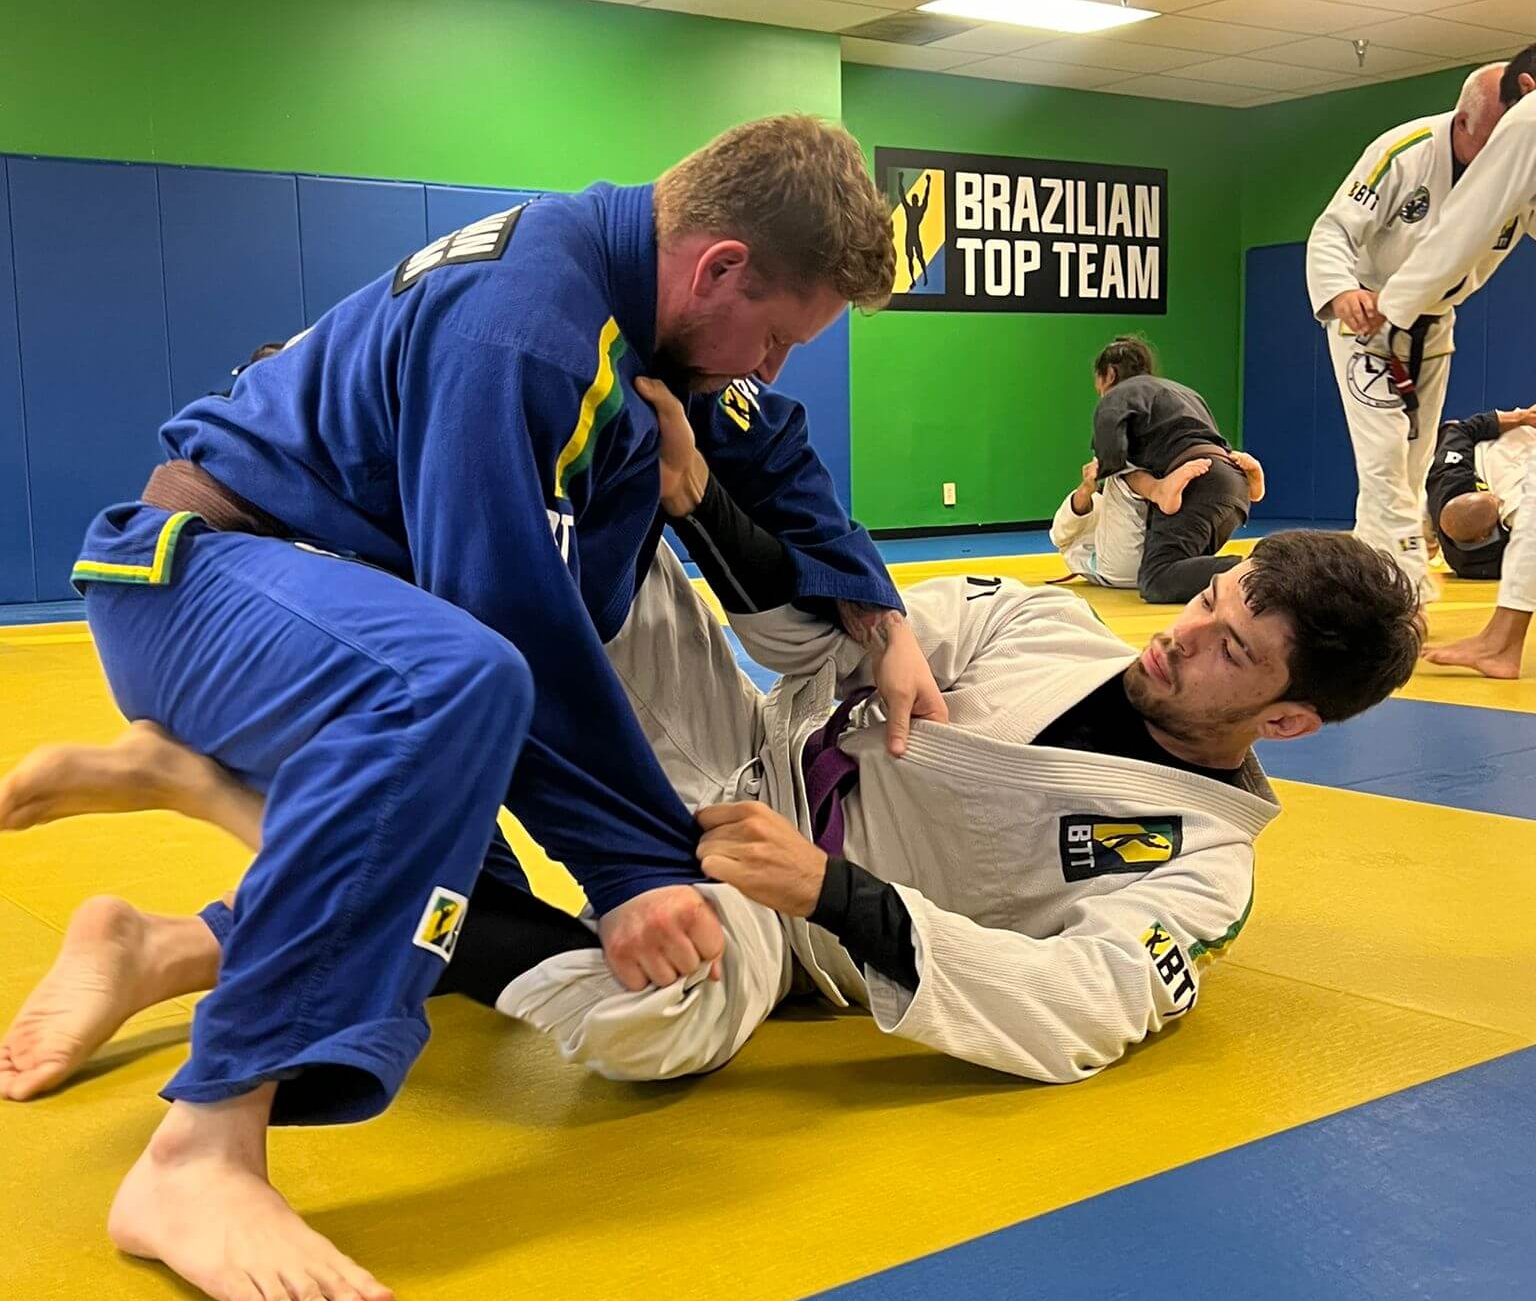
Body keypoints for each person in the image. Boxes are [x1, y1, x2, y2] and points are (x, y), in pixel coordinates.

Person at [26, 113, 946, 1301]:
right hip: (202, 582)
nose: (770, 364)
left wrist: (883, 617)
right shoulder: (530, 327)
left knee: (443, 875)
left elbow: (770, 451)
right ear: (718, 265)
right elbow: (501, 608)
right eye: (775, 335)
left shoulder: (644, 316)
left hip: (321, 607)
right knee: (454, 685)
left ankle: (153, 945)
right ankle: (202, 1148)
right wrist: (625, 866)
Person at [5, 387, 1423, 1114]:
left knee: (656, 1027)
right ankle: (274, 679)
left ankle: (191, 850)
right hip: (742, 744)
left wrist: (830, 897)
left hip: (791, 915)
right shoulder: (1048, 626)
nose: (1178, 640)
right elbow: (820, 643)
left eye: (1230, 651)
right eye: (1212, 604)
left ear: (1288, 721)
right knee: (577, 571)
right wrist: (694, 502)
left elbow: (1078, 1007)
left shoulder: (1197, 870)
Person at [1305, 64, 1511, 598]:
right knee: (1384, 458)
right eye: (1498, 127)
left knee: (1412, 465)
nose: (1505, 143)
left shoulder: (1519, 171)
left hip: (1435, 322)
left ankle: (1366, 576)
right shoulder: (1405, 150)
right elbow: (1334, 230)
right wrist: (1341, 291)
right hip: (1368, 318)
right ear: (1465, 120)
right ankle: (1403, 585)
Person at [1368, 44, 1536, 675]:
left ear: (1523, 85)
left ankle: (1499, 644)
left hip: (1408, 306)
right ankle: (1501, 642)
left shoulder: (1531, 116)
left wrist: (1395, 310)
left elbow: (1465, 224)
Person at [1087, 335, 1254, 604]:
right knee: (1183, 567)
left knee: (1156, 579)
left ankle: (1257, 567)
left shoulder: (1117, 395)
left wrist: (1113, 478)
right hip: (1233, 482)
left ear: (1110, 373)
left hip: (1194, 483)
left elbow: (1110, 456)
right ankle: (1253, 567)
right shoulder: (1186, 392)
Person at [1051, 449, 1267, 588]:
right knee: (1119, 472)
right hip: (1118, 570)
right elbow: (1062, 530)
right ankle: (1160, 490)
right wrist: (1086, 487)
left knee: (1178, 515)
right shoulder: (1077, 543)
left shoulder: (1113, 519)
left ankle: (1248, 491)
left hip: (1157, 560)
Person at [1425, 405, 1536, 580]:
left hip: (1498, 446)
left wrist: (1522, 417)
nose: (1496, 497)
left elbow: (1462, 430)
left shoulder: (1447, 487)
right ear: (1487, 534)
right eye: (1497, 503)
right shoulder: (1518, 521)